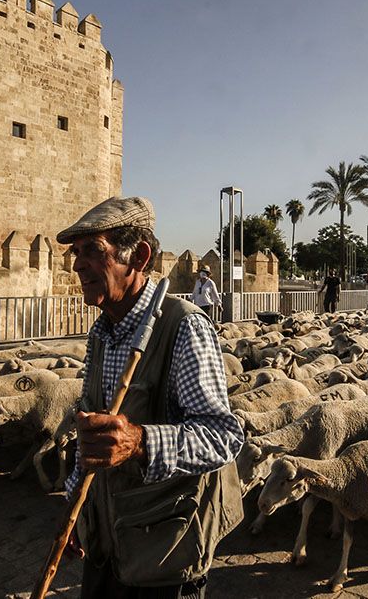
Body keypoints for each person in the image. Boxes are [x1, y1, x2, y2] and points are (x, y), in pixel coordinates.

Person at [57, 196, 244, 599]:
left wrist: (140, 442)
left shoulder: (182, 328)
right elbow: (91, 437)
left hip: (165, 555)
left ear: (138, 256)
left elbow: (222, 436)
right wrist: (77, 507)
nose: (78, 264)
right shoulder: (101, 334)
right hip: (106, 547)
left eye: (93, 250)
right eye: (76, 253)